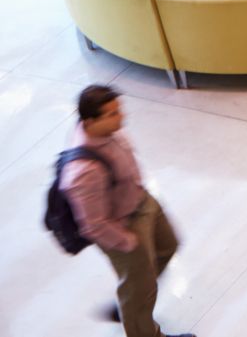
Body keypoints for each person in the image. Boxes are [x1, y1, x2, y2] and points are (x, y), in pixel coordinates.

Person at [60, 85, 194, 337]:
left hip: (143, 204)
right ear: (90, 121)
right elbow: (93, 224)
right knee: (141, 286)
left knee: (168, 246)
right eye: (112, 114)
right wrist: (126, 241)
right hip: (124, 226)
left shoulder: (110, 133)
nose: (121, 117)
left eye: (118, 110)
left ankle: (129, 302)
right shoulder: (84, 172)